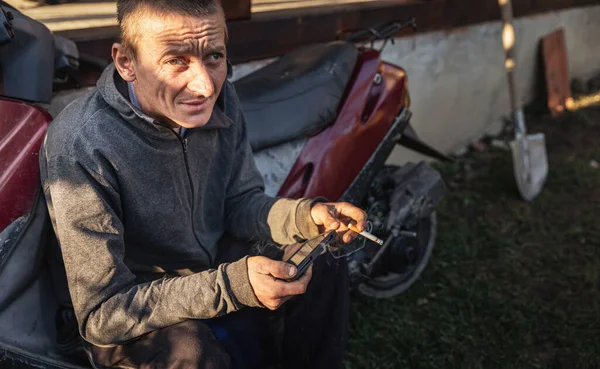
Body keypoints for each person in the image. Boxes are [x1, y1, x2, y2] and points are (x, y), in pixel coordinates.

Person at [39, 0, 367, 368]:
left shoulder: (222, 97)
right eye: (176, 60)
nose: (206, 85)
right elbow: (102, 313)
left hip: (207, 264)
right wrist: (231, 285)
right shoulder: (82, 144)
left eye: (214, 56)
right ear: (126, 62)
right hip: (131, 303)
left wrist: (306, 216)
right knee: (191, 355)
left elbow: (239, 201)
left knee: (318, 250)